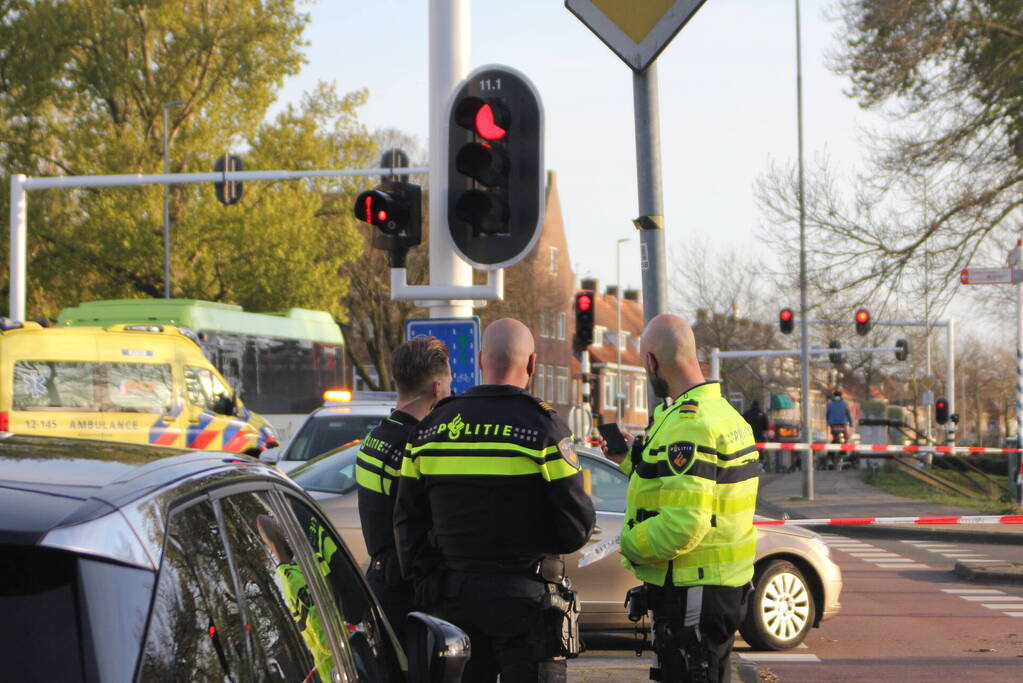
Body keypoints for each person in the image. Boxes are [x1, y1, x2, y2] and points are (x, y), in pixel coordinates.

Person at [394, 318, 596, 682]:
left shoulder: (432, 428)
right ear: (532, 364)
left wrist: (431, 582)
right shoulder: (543, 428)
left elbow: (407, 521)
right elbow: (575, 529)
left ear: (481, 360)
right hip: (526, 602)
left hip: (453, 603)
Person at [609, 314, 760, 683]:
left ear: (651, 362)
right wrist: (631, 461)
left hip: (694, 591)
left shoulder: (689, 425)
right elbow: (684, 485)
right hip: (721, 587)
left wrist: (627, 543)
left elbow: (682, 525)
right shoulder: (723, 415)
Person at [356, 335, 452, 642]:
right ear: (437, 387)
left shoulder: (377, 437)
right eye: (448, 382)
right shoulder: (414, 446)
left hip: (380, 580)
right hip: (407, 595)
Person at [825, 390, 853, 470]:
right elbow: (847, 414)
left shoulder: (830, 404)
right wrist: (850, 423)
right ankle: (843, 449)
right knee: (846, 436)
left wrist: (828, 422)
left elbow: (827, 414)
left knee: (833, 436)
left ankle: (832, 449)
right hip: (842, 423)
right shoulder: (844, 404)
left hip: (833, 424)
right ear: (841, 396)